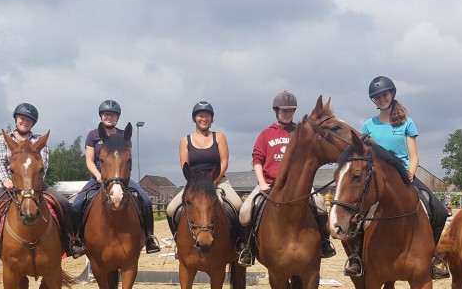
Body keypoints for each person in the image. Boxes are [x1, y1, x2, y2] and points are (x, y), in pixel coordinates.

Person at [344, 76, 450, 279]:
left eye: (384, 94)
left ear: (392, 94)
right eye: (376, 97)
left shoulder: (406, 123)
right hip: (376, 179)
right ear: (373, 101)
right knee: (357, 215)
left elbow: (414, 154)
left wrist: (410, 172)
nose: (381, 99)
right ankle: (357, 256)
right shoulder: (368, 125)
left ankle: (433, 256)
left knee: (438, 210)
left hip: (403, 176)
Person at [0, 103, 86, 271]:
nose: (24, 122)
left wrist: (32, 182)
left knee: (63, 203)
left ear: (32, 123)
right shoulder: (2, 140)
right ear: (16, 119)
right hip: (7, 185)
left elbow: (44, 165)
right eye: (22, 118)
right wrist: (6, 180)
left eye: (29, 120)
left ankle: (70, 242)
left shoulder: (38, 141)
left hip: (35, 184)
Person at [236, 91, 335, 267]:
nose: (287, 114)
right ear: (277, 111)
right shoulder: (266, 134)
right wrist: (262, 183)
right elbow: (257, 160)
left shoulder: (301, 132)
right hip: (269, 183)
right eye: (284, 111)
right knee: (245, 211)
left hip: (297, 185)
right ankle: (247, 249)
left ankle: (324, 244)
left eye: (291, 111)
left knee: (320, 204)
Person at [72, 100, 160, 254]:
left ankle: (149, 238)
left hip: (122, 178)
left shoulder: (123, 135)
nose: (109, 117)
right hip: (99, 177)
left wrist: (123, 178)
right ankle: (76, 240)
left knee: (145, 200)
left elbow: (127, 160)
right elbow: (89, 160)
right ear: (101, 116)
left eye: (112, 115)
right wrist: (99, 176)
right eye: (106, 114)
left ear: (117, 117)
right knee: (77, 204)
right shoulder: (93, 135)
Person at [166, 101, 244, 238]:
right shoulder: (185, 140)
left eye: (207, 116)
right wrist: (195, 183)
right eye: (200, 115)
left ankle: (239, 243)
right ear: (194, 119)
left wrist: (214, 181)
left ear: (212, 119)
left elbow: (224, 162)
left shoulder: (219, 137)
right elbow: (185, 165)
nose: (204, 119)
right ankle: (177, 240)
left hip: (218, 180)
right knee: (171, 209)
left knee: (238, 206)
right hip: (195, 183)